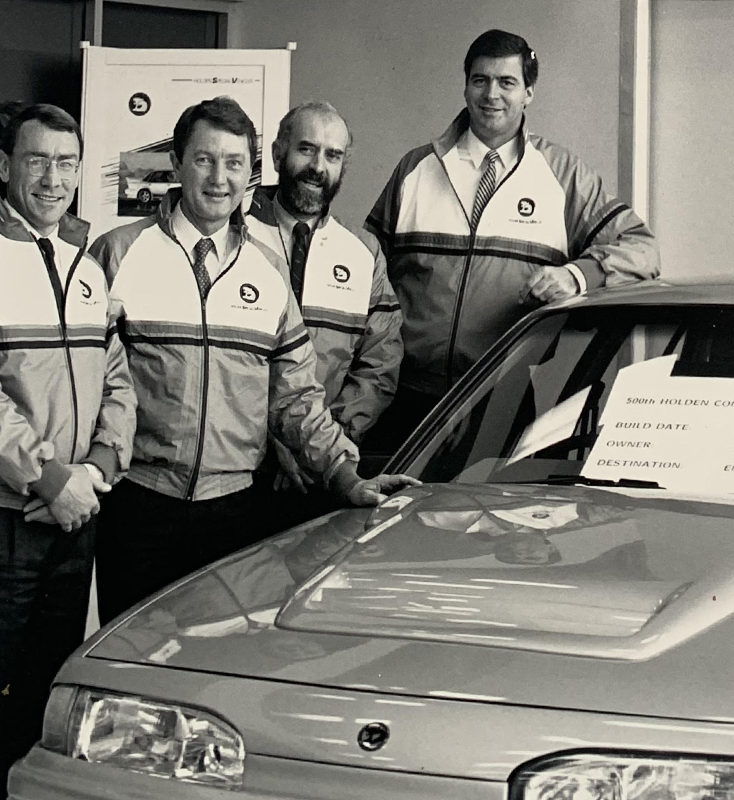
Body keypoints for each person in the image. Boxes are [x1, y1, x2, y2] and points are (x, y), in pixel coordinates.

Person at [89, 96, 416, 625]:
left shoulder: (266, 272)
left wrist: (343, 472)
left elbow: (296, 396)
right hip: (138, 505)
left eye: (234, 163)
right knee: (130, 669)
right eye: (204, 159)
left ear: (251, 172)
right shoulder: (118, 254)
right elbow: (88, 383)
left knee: (217, 666)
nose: (219, 178)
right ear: (176, 163)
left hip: (233, 514)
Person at [0, 104, 135, 800]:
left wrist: (97, 469)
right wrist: (48, 478)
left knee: (46, 696)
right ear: (6, 167)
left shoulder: (84, 264)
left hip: (73, 515)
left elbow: (119, 381)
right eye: (37, 160)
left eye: (66, 163)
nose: (52, 177)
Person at [364, 29, 662, 451]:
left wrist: (578, 276)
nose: (492, 95)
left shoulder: (562, 174)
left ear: (529, 93)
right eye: (480, 80)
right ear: (465, 86)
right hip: (407, 398)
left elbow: (642, 248)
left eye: (507, 82)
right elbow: (366, 272)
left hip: (506, 399)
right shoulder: (416, 168)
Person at [247, 101, 402, 527]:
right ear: (278, 153)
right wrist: (266, 443)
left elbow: (380, 363)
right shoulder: (233, 236)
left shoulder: (364, 253)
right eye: (306, 149)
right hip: (241, 473)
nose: (318, 166)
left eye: (332, 156)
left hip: (325, 479)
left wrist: (325, 447)